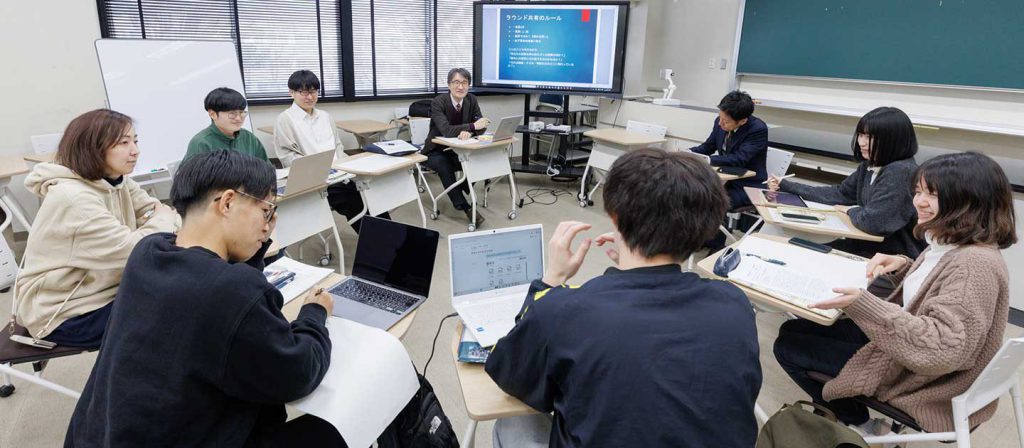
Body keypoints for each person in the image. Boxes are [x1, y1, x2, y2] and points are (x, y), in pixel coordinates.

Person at [485, 149, 762, 448]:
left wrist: (551, 279)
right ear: (707, 227)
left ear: (615, 217)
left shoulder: (563, 309)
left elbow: (509, 373)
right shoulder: (735, 304)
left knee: (512, 421)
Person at [66, 150, 344, 446]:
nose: (268, 225)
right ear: (227, 202)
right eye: (266, 211)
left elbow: (224, 291)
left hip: (98, 436)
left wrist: (254, 245)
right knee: (338, 427)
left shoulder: (148, 251)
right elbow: (298, 374)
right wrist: (314, 315)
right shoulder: (232, 290)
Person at [773, 151, 1016, 436]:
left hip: (917, 374)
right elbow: (940, 290)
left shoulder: (973, 264)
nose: (918, 202)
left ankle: (862, 424)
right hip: (907, 349)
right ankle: (850, 413)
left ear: (970, 201)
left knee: (788, 347)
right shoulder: (953, 243)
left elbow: (941, 349)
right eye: (918, 192)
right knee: (794, 329)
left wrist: (865, 306)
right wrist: (905, 266)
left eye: (933, 195)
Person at [13, 109, 179, 347]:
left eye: (135, 141)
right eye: (124, 143)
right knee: (180, 311)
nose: (135, 150)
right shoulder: (74, 198)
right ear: (92, 147)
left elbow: (161, 214)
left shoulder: (117, 180)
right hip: (64, 311)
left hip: (104, 289)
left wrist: (161, 218)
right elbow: (135, 249)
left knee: (187, 289)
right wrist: (162, 219)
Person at [768, 107, 925, 259]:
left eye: (869, 137)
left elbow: (874, 223)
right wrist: (786, 185)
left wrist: (850, 210)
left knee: (798, 251)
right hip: (867, 246)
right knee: (790, 243)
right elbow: (839, 194)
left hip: (891, 257)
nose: (861, 142)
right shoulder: (871, 165)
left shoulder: (900, 171)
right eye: (860, 135)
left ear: (893, 140)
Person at [274, 69, 389, 233]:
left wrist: (348, 169)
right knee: (355, 201)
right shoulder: (285, 120)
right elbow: (288, 157)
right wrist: (319, 170)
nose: (310, 97)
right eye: (304, 92)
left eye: (314, 91)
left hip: (341, 174)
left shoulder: (325, 116)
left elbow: (338, 147)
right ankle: (379, 243)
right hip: (317, 182)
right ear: (291, 93)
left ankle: (393, 239)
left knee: (373, 194)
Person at [421, 67, 491, 225]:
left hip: (458, 150)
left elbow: (482, 126)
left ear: (468, 85)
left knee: (479, 160)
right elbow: (446, 130)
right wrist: (472, 126)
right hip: (435, 151)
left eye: (464, 83)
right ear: (449, 85)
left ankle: (461, 187)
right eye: (456, 82)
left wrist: (470, 132)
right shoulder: (438, 102)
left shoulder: (471, 100)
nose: (460, 87)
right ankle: (465, 207)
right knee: (443, 165)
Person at [691, 90, 768, 208]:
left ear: (743, 121)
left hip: (748, 186)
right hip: (724, 181)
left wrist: (707, 160)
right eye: (720, 117)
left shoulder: (757, 129)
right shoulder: (720, 122)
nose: (720, 124)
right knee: (688, 195)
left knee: (708, 203)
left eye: (725, 121)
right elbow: (707, 147)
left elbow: (739, 158)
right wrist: (686, 153)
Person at [185, 87, 268, 162]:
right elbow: (192, 173)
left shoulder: (249, 138)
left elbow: (265, 168)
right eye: (232, 113)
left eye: (241, 112)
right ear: (213, 114)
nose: (238, 118)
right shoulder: (201, 143)